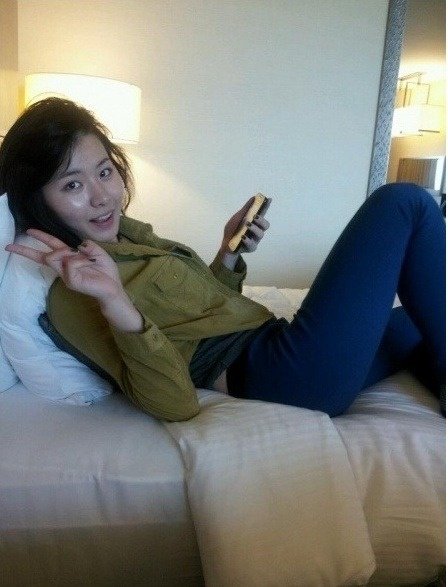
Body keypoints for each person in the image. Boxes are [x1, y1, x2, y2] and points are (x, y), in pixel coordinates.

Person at [0, 98, 445, 421]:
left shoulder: (126, 236)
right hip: (284, 374)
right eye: (72, 185)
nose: (101, 196)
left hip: (283, 347)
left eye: (104, 172)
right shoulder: (73, 293)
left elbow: (202, 316)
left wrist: (228, 254)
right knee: (403, 204)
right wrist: (116, 302)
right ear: (38, 200)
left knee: (418, 321)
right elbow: (175, 403)